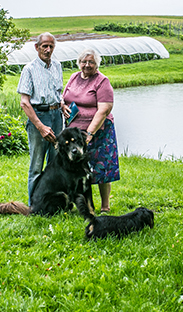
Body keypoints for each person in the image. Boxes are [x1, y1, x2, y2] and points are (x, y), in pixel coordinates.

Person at [62, 49, 120, 213]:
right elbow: (64, 97)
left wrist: (89, 134)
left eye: (91, 62)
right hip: (74, 132)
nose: (87, 65)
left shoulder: (102, 81)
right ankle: (80, 203)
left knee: (101, 169)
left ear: (97, 64)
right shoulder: (74, 77)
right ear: (79, 63)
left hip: (98, 131)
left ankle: (105, 206)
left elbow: (104, 110)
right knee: (77, 168)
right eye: (84, 61)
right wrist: (62, 105)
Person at [17, 32, 64, 205]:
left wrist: (63, 104)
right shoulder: (29, 69)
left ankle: (52, 203)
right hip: (39, 116)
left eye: (51, 46)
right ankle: (34, 205)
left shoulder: (57, 66)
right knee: (37, 165)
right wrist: (40, 126)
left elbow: (58, 93)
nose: (48, 49)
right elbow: (24, 102)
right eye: (44, 46)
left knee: (55, 163)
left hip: (56, 116)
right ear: (37, 47)